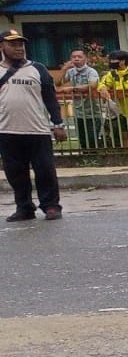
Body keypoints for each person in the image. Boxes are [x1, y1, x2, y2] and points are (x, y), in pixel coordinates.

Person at [0, 29, 66, 221]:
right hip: (7, 131)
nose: (18, 48)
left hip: (37, 131)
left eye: (20, 44)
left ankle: (51, 206)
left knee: (45, 169)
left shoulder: (38, 69)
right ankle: (24, 207)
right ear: (2, 46)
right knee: (16, 174)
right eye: (13, 44)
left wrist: (58, 124)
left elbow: (50, 99)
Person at [59, 48, 103, 150]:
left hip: (92, 112)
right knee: (83, 140)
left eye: (79, 57)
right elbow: (57, 83)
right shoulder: (71, 72)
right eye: (74, 57)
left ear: (85, 59)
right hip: (78, 113)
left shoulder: (91, 72)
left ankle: (95, 159)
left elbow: (92, 86)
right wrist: (64, 69)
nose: (76, 59)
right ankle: (86, 159)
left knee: (92, 140)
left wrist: (72, 89)